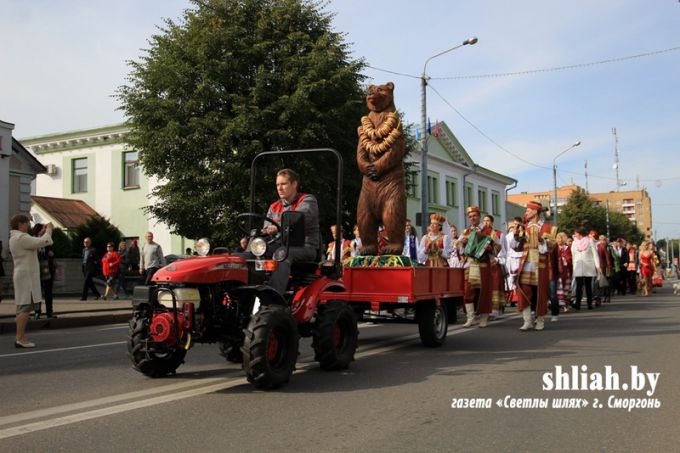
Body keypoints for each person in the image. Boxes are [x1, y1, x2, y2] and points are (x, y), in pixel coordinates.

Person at [264, 168, 320, 295]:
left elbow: (299, 218)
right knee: (252, 253)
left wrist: (277, 226)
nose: (280, 188)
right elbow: (266, 228)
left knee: (282, 254)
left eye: (283, 184)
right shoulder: (274, 206)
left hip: (304, 247)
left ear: (294, 184)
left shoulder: (307, 200)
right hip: (280, 245)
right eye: (277, 185)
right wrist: (265, 231)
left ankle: (273, 298)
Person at [509, 201, 556, 331]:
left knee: (540, 293)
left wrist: (541, 240)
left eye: (528, 210)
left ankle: (540, 320)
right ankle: (527, 320)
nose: (526, 213)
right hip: (526, 264)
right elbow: (515, 247)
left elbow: (550, 248)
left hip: (540, 265)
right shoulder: (523, 227)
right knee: (524, 291)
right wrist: (516, 236)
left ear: (535, 211)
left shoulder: (547, 227)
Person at [9, 215, 53, 348]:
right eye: (27, 223)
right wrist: (49, 230)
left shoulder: (15, 237)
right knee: (25, 307)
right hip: (26, 276)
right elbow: (44, 242)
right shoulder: (21, 237)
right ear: (21, 224)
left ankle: (20, 336)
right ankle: (20, 338)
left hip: (22, 275)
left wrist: (40, 234)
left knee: (22, 307)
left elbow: (34, 242)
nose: (28, 226)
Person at [456, 207, 493, 327]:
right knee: (468, 291)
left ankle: (483, 317)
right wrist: (462, 243)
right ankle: (470, 317)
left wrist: (490, 249)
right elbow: (459, 248)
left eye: (474, 216)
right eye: (470, 216)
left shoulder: (488, 231)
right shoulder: (466, 231)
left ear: (479, 216)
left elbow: (498, 247)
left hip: (483, 264)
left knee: (484, 291)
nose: (472, 218)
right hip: (470, 264)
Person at [571, 227, 601, 310]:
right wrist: (574, 267)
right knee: (579, 286)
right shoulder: (574, 243)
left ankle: (589, 303)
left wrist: (598, 266)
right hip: (578, 267)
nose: (575, 234)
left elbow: (595, 254)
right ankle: (578, 304)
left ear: (580, 234)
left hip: (588, 266)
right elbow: (573, 255)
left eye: (576, 233)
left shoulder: (590, 241)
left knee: (588, 286)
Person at [31, 224, 56, 319]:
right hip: (36, 269)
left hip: (47, 269)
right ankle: (37, 312)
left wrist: (51, 254)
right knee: (37, 291)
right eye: (43, 228)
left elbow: (52, 253)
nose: (45, 230)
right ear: (38, 231)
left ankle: (49, 312)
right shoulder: (33, 240)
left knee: (48, 291)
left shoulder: (47, 241)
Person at [555, 232, 572, 312]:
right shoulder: (554, 247)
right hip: (556, 271)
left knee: (565, 288)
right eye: (558, 238)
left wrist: (563, 259)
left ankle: (565, 305)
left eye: (561, 238)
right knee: (557, 288)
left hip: (565, 270)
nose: (560, 240)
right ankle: (556, 305)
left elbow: (569, 259)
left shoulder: (567, 248)